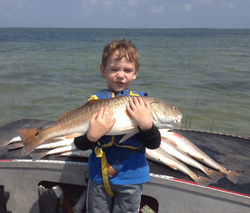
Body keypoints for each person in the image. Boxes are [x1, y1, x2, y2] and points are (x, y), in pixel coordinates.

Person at [74, 38, 161, 213]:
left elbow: (154, 143)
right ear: (103, 70)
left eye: (127, 70)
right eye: (114, 69)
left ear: (136, 72)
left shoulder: (141, 104)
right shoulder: (94, 103)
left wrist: (146, 125)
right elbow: (79, 143)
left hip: (132, 178)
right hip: (98, 177)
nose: (120, 75)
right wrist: (92, 136)